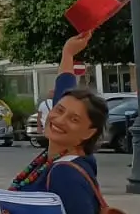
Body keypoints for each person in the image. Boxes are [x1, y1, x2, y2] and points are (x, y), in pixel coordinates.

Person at [9, 31, 110, 214]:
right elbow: (64, 91)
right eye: (59, 110)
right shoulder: (61, 156)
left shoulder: (65, 173)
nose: (59, 120)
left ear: (89, 132)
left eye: (74, 119)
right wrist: (68, 54)